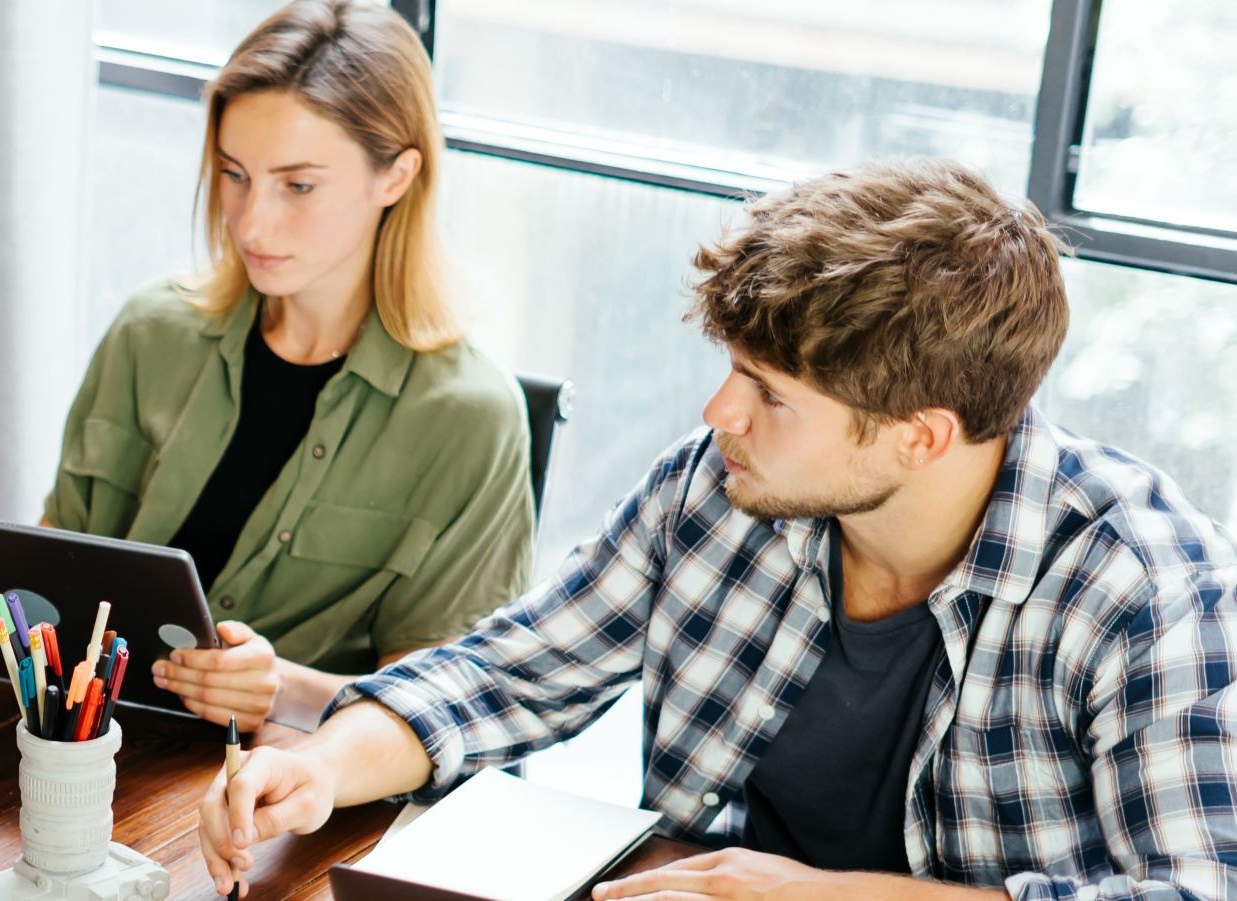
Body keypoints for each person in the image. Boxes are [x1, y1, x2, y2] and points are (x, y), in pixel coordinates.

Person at [197, 158, 1237, 899]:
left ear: (919, 437)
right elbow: (509, 673)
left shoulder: (1143, 585)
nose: (715, 415)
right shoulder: (719, 487)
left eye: (767, 393)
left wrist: (812, 897)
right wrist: (326, 764)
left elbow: (1195, 890)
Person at [0, 0, 532, 730]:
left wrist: (277, 689)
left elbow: (447, 707)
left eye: (299, 185)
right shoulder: (151, 331)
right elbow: (57, 594)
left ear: (397, 176)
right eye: (233, 174)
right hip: (86, 753)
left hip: (281, 805)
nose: (251, 222)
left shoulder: (471, 417)